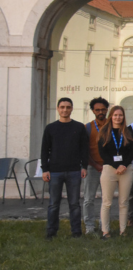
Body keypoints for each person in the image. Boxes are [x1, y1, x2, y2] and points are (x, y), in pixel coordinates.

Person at [41, 98, 88, 240]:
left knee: (74, 203)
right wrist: (45, 169)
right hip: (54, 171)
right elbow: (44, 150)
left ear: (72, 108)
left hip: (74, 171)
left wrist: (84, 166)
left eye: (68, 107)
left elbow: (84, 149)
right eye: (62, 107)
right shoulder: (50, 128)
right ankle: (51, 232)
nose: (65, 110)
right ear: (57, 109)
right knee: (53, 204)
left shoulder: (79, 127)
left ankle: (76, 232)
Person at [96, 106, 133, 239]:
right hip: (109, 170)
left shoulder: (128, 131)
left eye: (120, 115)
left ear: (123, 117)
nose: (118, 117)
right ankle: (105, 231)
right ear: (111, 116)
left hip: (126, 169)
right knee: (107, 202)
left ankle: (123, 230)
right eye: (115, 115)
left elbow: (132, 151)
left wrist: (123, 165)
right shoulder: (104, 131)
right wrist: (116, 166)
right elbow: (102, 152)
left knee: (124, 202)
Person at [83, 97, 109, 234]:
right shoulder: (87, 127)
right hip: (91, 167)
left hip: (108, 168)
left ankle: (103, 225)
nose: (100, 112)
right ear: (93, 110)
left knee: (106, 199)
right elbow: (84, 150)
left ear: (107, 110)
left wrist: (107, 165)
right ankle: (89, 226)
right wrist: (95, 165)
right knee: (89, 199)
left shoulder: (111, 125)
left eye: (103, 109)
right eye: (97, 109)